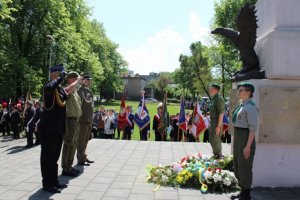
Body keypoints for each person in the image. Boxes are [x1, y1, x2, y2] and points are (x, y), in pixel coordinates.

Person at [39, 64, 68, 193]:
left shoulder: (59, 89)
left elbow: (66, 95)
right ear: (54, 74)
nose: (62, 77)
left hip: (58, 129)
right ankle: (47, 183)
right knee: (47, 157)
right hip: (49, 129)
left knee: (55, 157)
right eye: (60, 74)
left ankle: (54, 181)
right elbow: (50, 87)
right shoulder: (48, 86)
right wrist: (60, 79)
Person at [230, 82, 258, 200]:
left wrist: (247, 146)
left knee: (244, 165)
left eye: (241, 90)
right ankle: (242, 189)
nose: (238, 92)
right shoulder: (242, 105)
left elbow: (252, 129)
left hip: (245, 136)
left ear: (248, 92)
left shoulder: (250, 107)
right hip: (238, 135)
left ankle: (246, 193)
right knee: (237, 164)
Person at [61, 72, 82, 177]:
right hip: (69, 120)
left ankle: (69, 166)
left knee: (73, 144)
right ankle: (66, 167)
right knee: (69, 144)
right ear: (70, 79)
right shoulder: (67, 89)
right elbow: (67, 90)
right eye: (75, 79)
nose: (77, 81)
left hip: (75, 120)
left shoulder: (75, 92)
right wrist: (78, 81)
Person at [77, 74, 94, 166]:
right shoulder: (81, 90)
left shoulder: (89, 91)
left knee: (86, 140)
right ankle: (80, 159)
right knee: (81, 140)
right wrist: (81, 84)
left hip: (89, 119)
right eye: (88, 80)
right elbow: (78, 94)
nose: (90, 82)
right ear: (84, 81)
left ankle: (83, 155)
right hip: (82, 119)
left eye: (90, 80)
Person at [208, 83, 225, 159]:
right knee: (211, 138)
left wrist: (218, 126)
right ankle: (216, 154)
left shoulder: (219, 99)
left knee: (216, 139)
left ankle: (219, 155)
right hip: (212, 121)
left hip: (217, 122)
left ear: (215, 90)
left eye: (211, 89)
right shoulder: (213, 99)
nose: (210, 90)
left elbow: (221, 114)